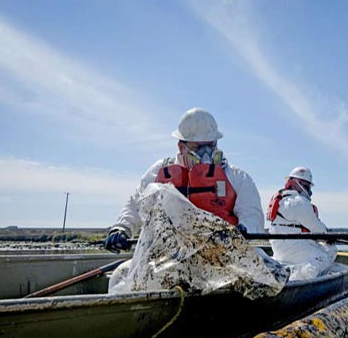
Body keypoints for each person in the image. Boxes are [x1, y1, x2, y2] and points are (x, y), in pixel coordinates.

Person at [104, 108, 264, 252]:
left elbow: (252, 213)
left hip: (222, 254)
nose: (205, 153)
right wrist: (121, 228)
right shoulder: (159, 172)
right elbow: (136, 203)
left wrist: (243, 229)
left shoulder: (236, 176)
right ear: (181, 146)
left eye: (210, 145)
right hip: (169, 256)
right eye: (197, 147)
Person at [266, 167, 336, 280]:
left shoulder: (280, 200)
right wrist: (330, 236)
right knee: (329, 252)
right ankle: (304, 276)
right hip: (294, 251)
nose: (309, 191)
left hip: (280, 250)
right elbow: (318, 229)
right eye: (307, 186)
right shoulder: (299, 202)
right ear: (295, 183)